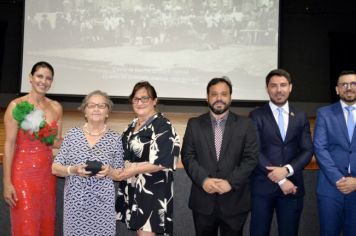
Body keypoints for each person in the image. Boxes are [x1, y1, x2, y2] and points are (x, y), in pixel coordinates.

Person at [181, 77, 259, 236]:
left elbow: (251, 158)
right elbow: (188, 156)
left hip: (235, 201)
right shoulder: (194, 124)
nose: (219, 98)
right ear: (207, 98)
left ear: (230, 97)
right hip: (203, 201)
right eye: (214, 94)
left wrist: (230, 182)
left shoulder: (246, 124)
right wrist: (203, 180)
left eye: (224, 94)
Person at [249, 69, 313, 236]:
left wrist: (286, 171)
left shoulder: (300, 116)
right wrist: (281, 180)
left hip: (292, 187)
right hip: (263, 187)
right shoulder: (256, 116)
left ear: (290, 87)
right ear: (267, 89)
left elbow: (307, 149)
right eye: (274, 86)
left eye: (283, 85)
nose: (279, 90)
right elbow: (254, 150)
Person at [52, 90, 124, 236]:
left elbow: (119, 174)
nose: (96, 109)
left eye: (101, 105)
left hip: (103, 207)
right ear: (85, 111)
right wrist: (73, 170)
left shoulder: (115, 139)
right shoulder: (72, 135)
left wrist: (109, 172)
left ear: (107, 112)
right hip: (75, 206)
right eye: (91, 105)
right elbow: (55, 168)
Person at [3, 61, 63, 236]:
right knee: (26, 225)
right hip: (23, 173)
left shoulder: (56, 107)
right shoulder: (17, 106)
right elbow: (9, 144)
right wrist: (7, 182)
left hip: (47, 174)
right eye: (39, 76)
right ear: (30, 78)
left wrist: (83, 137)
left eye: (48, 78)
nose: (43, 81)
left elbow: (56, 142)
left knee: (45, 224)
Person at [113, 81, 180, 236]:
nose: (140, 103)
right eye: (136, 99)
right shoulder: (132, 125)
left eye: (145, 98)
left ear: (154, 101)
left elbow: (163, 161)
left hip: (152, 189)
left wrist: (132, 169)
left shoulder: (163, 125)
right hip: (133, 187)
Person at [314, 70, 356, 236]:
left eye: (353, 84)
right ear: (337, 89)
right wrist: (339, 180)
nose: (349, 88)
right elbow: (320, 148)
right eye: (344, 84)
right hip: (330, 189)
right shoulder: (324, 113)